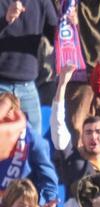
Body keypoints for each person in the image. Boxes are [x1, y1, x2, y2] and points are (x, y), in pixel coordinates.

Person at [0, 0, 56, 135]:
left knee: (35, 138)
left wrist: (70, 23)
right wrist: (6, 19)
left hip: (28, 85)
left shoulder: (42, 2)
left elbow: (55, 35)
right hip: (1, 82)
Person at [0, 91, 57, 207]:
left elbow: (45, 168)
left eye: (7, 112)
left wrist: (49, 197)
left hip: (17, 204)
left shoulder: (31, 138)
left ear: (16, 113)